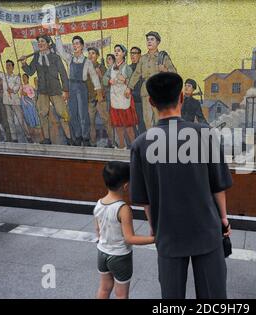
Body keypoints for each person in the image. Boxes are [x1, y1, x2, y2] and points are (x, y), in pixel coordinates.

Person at [130, 72, 232, 299]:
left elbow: (144, 199)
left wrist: (155, 227)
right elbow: (218, 187)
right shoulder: (204, 134)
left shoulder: (140, 144)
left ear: (151, 102)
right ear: (181, 98)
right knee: (212, 295)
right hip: (206, 229)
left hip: (168, 232)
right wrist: (223, 219)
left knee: (172, 296)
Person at [94, 161, 154, 299]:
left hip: (102, 253)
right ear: (126, 186)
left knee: (104, 289)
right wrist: (155, 239)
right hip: (120, 257)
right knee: (121, 295)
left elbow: (98, 230)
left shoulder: (98, 203)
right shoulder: (123, 209)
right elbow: (129, 238)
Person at [21, 34, 72, 145]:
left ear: (48, 44)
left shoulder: (55, 57)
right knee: (42, 115)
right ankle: (47, 139)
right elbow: (30, 72)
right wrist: (24, 63)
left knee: (63, 115)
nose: (40, 44)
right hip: (42, 91)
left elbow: (63, 74)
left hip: (55, 90)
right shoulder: (36, 57)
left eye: (42, 41)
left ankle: (69, 139)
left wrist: (66, 90)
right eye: (39, 42)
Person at [55, 32, 104, 147]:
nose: (75, 46)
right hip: (72, 87)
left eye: (77, 43)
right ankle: (78, 136)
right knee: (73, 114)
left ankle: (85, 137)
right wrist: (57, 35)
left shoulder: (87, 62)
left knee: (83, 115)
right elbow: (60, 50)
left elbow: (94, 76)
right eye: (73, 44)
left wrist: (98, 91)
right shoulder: (69, 58)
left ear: (82, 46)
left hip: (82, 88)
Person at [126, 32, 177, 129]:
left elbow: (174, 73)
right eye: (148, 39)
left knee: (159, 120)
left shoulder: (163, 57)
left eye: (152, 39)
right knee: (147, 120)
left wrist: (165, 70)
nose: (149, 41)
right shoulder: (143, 58)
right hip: (146, 92)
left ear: (158, 42)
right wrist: (129, 87)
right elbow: (136, 74)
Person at [103, 44, 138, 149]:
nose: (116, 52)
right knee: (118, 126)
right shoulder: (111, 68)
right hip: (115, 99)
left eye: (119, 50)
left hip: (125, 99)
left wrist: (125, 80)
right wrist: (109, 81)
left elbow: (133, 83)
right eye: (115, 51)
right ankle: (122, 147)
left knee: (128, 127)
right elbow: (104, 80)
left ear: (123, 53)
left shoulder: (127, 68)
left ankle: (134, 147)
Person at [0, 56, 32, 143]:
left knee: (20, 120)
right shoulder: (4, 76)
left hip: (15, 101)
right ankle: (14, 138)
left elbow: (17, 86)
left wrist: (13, 90)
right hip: (7, 101)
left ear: (13, 67)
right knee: (10, 120)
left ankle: (28, 136)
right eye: (6, 66)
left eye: (9, 66)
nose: (7, 67)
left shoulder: (16, 77)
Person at [87, 47, 114, 148]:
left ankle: (112, 141)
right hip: (90, 99)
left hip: (100, 98)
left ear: (97, 56)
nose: (90, 55)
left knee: (106, 120)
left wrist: (101, 74)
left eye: (93, 53)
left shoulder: (101, 67)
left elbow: (107, 83)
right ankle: (92, 142)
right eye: (89, 53)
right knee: (91, 122)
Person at [129, 46, 146, 135]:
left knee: (141, 123)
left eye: (135, 53)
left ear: (140, 55)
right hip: (130, 101)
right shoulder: (127, 68)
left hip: (140, 100)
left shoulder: (144, 68)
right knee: (131, 123)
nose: (132, 55)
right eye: (131, 53)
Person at [20, 73, 42, 142]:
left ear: (27, 78)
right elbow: (20, 95)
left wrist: (26, 94)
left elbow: (33, 94)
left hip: (30, 104)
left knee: (32, 117)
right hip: (24, 104)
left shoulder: (30, 87)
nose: (24, 79)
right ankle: (30, 133)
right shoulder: (22, 86)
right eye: (23, 77)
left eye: (25, 77)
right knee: (27, 118)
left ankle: (36, 134)